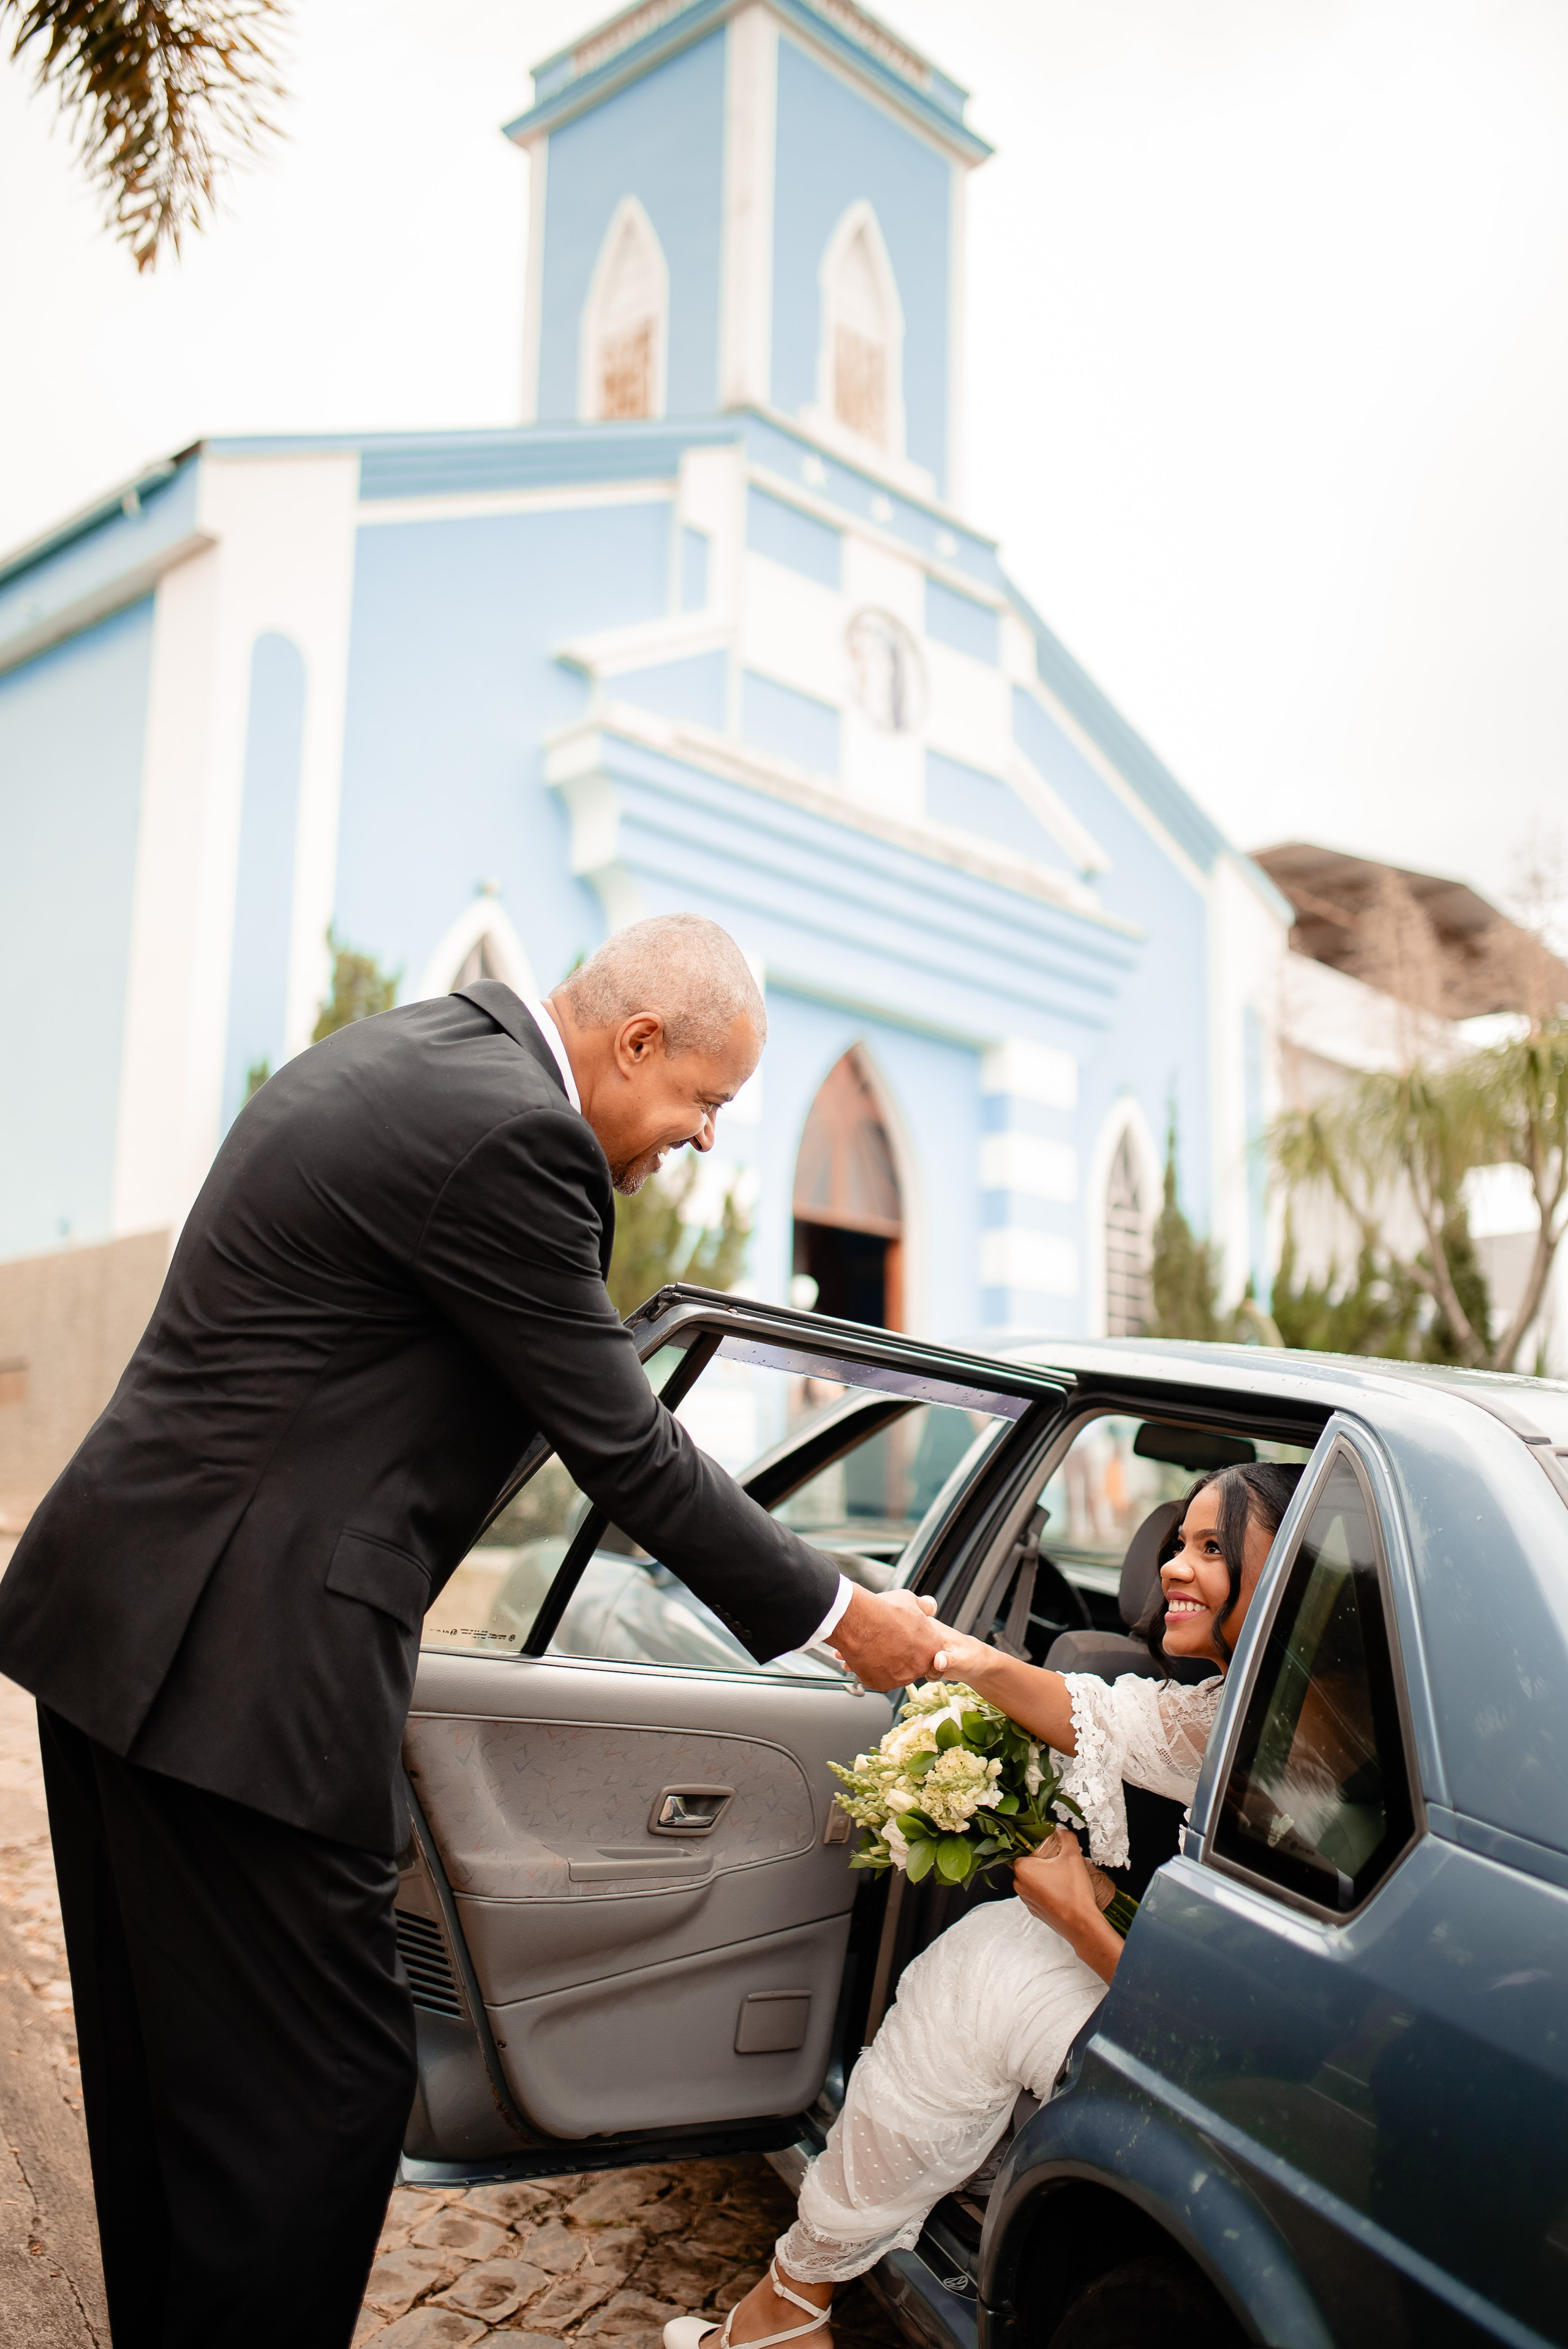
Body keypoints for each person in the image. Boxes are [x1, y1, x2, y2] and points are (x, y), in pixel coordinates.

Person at [0, 912, 944, 2349]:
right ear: (635, 1041)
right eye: (703, 1098)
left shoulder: (410, 1055)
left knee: (172, 2077)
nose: (696, 1139)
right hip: (236, 1668)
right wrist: (841, 1615)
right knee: (326, 2088)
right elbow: (627, 1452)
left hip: (127, 1622)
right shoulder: (519, 1141)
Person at [665, 1461, 1303, 2349]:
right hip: (1222, 2022)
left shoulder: (1306, 1763)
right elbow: (1095, 1714)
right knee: (999, 1942)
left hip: (1248, 2070)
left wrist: (1083, 1916)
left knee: (989, 1966)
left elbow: (1226, 2027)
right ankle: (795, 2295)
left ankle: (791, 2300)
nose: (1172, 1568)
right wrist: (956, 1658)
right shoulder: (1242, 1711)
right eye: (1178, 1544)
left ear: (1298, 1576)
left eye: (1213, 1548)